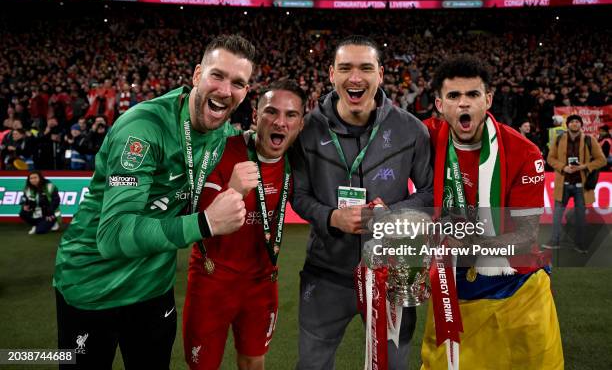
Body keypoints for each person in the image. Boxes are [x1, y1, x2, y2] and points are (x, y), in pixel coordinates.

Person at [53, 35, 256, 369]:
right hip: (91, 287)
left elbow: (263, 144)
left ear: (245, 92)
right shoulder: (142, 129)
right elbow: (114, 234)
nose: (225, 90)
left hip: (152, 291)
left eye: (238, 83)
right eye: (216, 75)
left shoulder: (224, 136)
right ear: (196, 76)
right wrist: (204, 223)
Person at [290, 35, 433, 370]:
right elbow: (298, 196)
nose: (355, 77)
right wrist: (331, 218)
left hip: (393, 273)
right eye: (345, 68)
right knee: (312, 365)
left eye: (365, 68)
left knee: (394, 365)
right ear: (331, 74)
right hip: (325, 274)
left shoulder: (411, 130)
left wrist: (393, 214)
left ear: (380, 74)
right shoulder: (306, 130)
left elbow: (429, 193)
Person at [421, 55, 564, 369]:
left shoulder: (523, 151)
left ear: (488, 99)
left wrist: (465, 246)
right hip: (452, 290)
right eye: (454, 96)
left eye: (473, 95)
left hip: (517, 290)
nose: (463, 104)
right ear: (439, 104)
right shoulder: (424, 136)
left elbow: (525, 238)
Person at [183, 79, 305, 370]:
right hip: (212, 280)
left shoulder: (299, 161)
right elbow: (197, 216)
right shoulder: (221, 150)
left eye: (291, 115)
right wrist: (234, 191)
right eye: (271, 112)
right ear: (255, 116)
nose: (280, 122)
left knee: (253, 361)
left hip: (262, 282)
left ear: (301, 124)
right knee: (203, 365)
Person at [543, 114, 606, 252]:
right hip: (563, 183)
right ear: (567, 124)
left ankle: (580, 244)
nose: (575, 124)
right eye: (572, 122)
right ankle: (555, 241)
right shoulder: (559, 139)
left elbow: (601, 160)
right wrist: (563, 167)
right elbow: (550, 158)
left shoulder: (590, 140)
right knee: (557, 215)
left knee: (580, 217)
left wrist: (583, 167)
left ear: (581, 125)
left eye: (577, 122)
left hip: (581, 186)